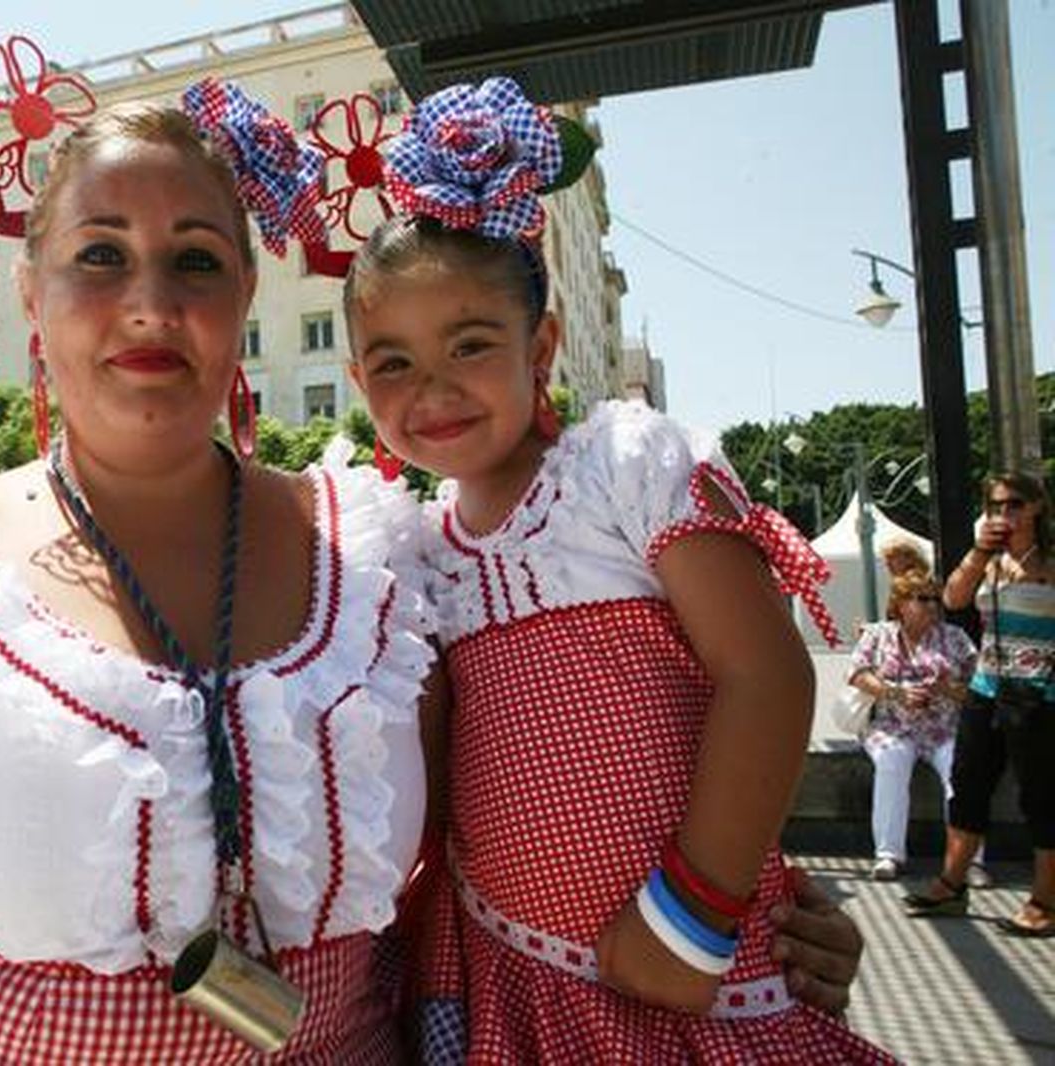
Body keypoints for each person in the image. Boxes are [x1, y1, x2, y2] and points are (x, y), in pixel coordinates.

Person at [0, 67, 869, 1063]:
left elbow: (553, 767)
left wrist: (739, 908)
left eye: (197, 260)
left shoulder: (385, 567)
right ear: (31, 291)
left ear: (248, 293)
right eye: (100, 253)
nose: (150, 301)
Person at [341, 78, 894, 1061]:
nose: (430, 388)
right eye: (392, 362)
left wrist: (691, 917)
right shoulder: (411, 551)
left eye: (470, 344)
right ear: (356, 381)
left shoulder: (626, 464)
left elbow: (764, 674)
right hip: (509, 979)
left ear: (541, 344)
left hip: (692, 967)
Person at [906, 472, 1055, 937]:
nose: (1003, 515)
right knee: (967, 785)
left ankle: (1045, 900)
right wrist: (980, 551)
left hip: (1041, 693)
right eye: (995, 506)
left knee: (1043, 797)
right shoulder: (989, 560)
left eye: (1012, 505)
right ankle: (952, 883)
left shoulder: (1049, 560)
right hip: (988, 688)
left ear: (1035, 507)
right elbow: (953, 598)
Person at [846, 570, 977, 880]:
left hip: (944, 727)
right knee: (892, 760)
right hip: (890, 726)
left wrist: (948, 689)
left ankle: (967, 861)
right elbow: (857, 674)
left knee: (959, 771)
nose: (932, 605)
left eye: (935, 599)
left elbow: (979, 688)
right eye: (923, 598)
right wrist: (896, 692)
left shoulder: (955, 638)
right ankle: (889, 855)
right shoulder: (877, 634)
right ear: (901, 604)